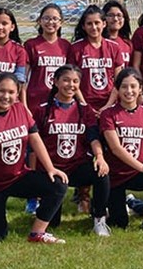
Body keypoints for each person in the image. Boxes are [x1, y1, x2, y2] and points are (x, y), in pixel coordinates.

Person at [0, 72, 69, 244]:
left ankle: (37, 233)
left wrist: (50, 168)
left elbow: (35, 138)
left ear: (17, 93)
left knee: (58, 184)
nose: (6, 96)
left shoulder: (20, 109)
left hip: (18, 176)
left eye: (11, 92)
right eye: (1, 91)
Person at [94, 69, 143, 234]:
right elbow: (116, 148)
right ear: (117, 90)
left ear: (140, 88)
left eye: (133, 86)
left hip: (137, 174)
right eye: (124, 87)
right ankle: (109, 205)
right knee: (120, 224)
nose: (129, 91)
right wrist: (142, 167)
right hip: (115, 175)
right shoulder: (108, 114)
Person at [35, 66, 106, 233]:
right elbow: (34, 144)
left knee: (102, 174)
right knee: (53, 223)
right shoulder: (43, 110)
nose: (70, 85)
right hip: (53, 169)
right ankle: (43, 206)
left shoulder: (84, 110)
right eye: (66, 80)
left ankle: (99, 219)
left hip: (77, 166)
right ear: (55, 82)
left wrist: (100, 157)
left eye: (75, 81)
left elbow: (93, 137)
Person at [73, 4, 133, 111]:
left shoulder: (114, 47)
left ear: (104, 24)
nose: (94, 27)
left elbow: (118, 81)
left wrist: (108, 105)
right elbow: (73, 81)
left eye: (97, 23)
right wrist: (84, 105)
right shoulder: (76, 48)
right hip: (84, 104)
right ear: (83, 26)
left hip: (109, 103)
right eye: (89, 24)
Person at [23, 3, 72, 110]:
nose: (50, 22)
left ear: (61, 22)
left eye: (55, 19)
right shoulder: (31, 45)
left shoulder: (66, 46)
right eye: (46, 18)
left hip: (59, 101)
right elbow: (23, 78)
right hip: (35, 102)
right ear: (39, 21)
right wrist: (24, 106)